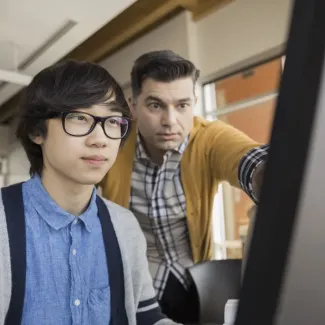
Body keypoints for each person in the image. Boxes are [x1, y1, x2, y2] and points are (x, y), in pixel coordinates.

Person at [0, 60, 179, 325]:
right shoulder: (4, 222)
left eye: (113, 121)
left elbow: (146, 317)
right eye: (79, 118)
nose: (100, 139)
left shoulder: (124, 226)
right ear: (38, 131)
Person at [100, 50, 269, 323]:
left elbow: (248, 158)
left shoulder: (208, 139)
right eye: (155, 105)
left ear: (194, 104)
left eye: (182, 105)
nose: (170, 120)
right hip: (132, 282)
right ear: (133, 106)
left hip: (193, 281)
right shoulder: (113, 142)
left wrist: (274, 178)